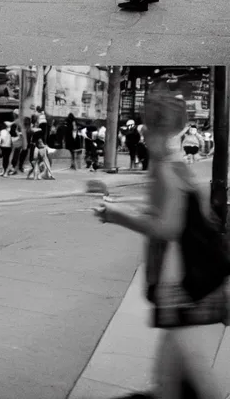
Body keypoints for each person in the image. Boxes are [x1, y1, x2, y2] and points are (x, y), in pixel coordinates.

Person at [95, 91, 229, 399]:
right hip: (190, 286)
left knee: (185, 374)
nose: (143, 139)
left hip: (183, 287)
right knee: (173, 377)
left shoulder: (167, 169)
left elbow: (168, 228)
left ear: (156, 130)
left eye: (147, 131)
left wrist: (117, 215)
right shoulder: (179, 166)